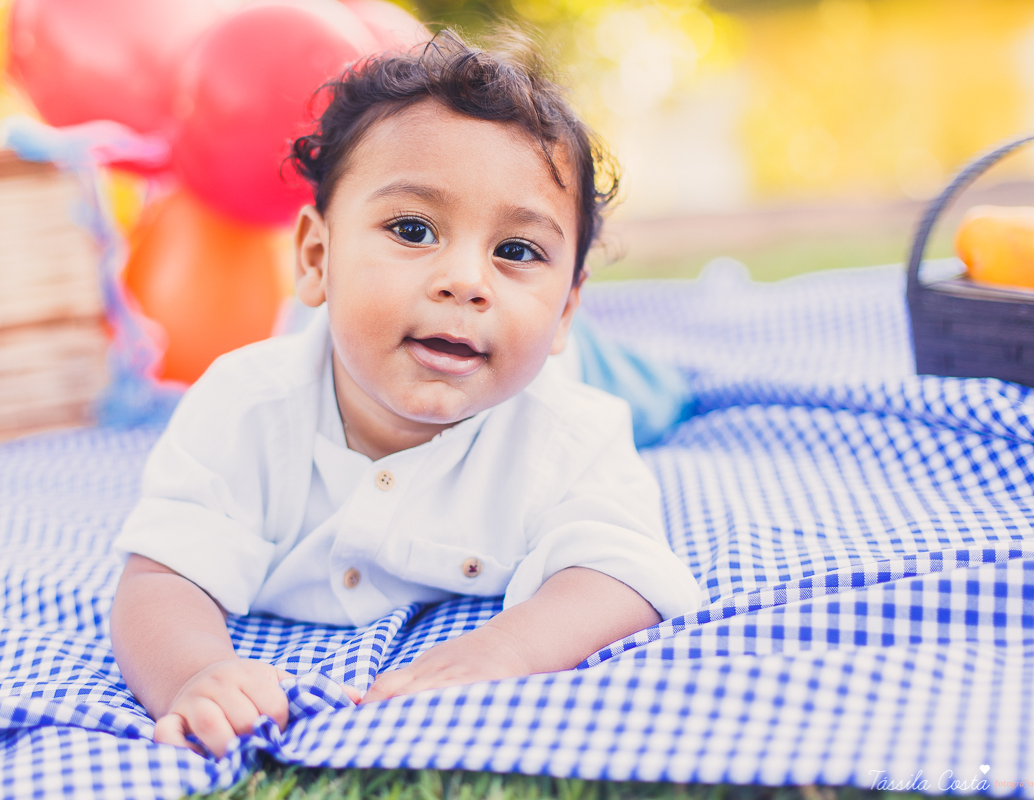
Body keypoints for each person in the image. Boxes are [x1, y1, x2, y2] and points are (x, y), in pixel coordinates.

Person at [109, 29, 705, 759]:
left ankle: (644, 365)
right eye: (414, 229)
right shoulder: (245, 408)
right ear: (317, 257)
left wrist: (504, 651)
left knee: (656, 398)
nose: (466, 280)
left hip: (574, 367)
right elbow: (161, 574)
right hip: (359, 333)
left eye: (516, 251)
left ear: (566, 309)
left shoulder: (569, 431)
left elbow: (622, 573)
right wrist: (196, 673)